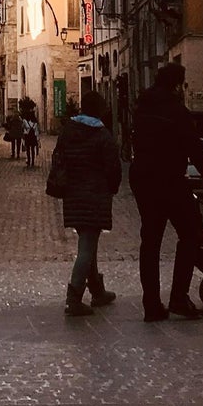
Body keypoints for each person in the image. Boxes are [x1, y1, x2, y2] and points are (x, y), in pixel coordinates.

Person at [129, 61, 203, 322]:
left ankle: (151, 304)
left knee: (150, 242)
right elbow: (195, 149)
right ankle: (179, 298)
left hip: (142, 177)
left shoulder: (142, 107)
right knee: (191, 234)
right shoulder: (177, 111)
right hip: (169, 179)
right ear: (176, 85)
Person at [49, 90, 123, 316]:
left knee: (88, 241)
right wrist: (112, 187)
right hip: (94, 196)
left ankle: (98, 291)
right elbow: (113, 168)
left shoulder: (68, 132)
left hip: (73, 194)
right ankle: (74, 297)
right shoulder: (102, 136)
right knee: (87, 246)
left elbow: (58, 158)